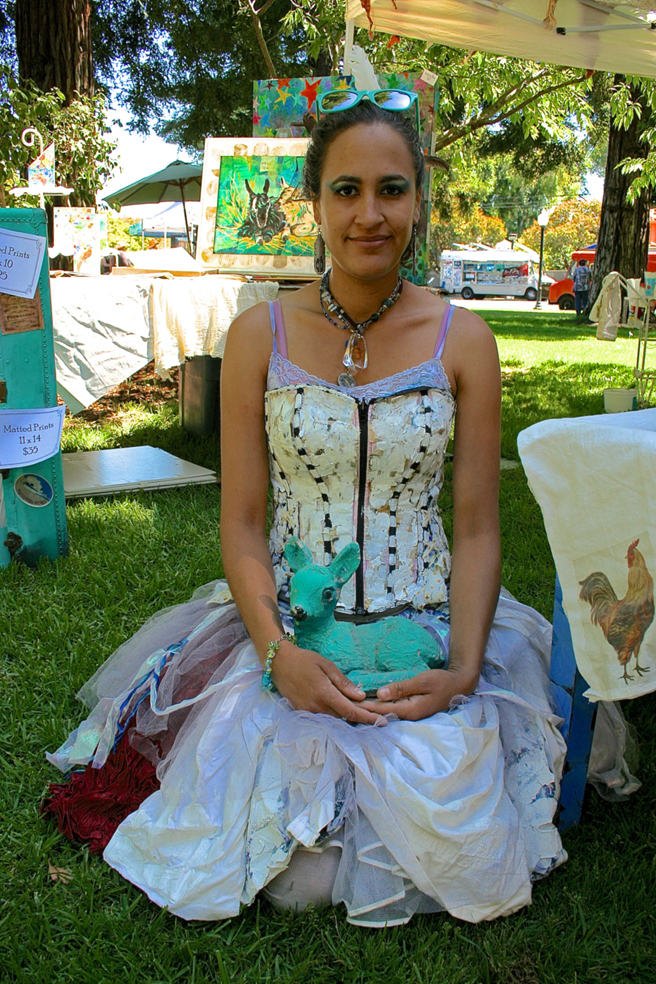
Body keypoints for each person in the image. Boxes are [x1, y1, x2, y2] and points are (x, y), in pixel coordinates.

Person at [44, 96, 567, 926]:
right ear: (314, 202)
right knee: (289, 875)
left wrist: (464, 669)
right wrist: (276, 652)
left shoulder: (466, 340)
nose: (370, 214)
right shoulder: (260, 334)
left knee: (456, 846)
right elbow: (244, 524)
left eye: (392, 189)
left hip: (426, 624)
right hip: (288, 624)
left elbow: (475, 529)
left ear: (419, 199)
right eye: (346, 190)